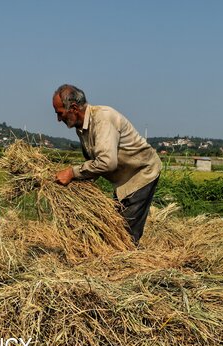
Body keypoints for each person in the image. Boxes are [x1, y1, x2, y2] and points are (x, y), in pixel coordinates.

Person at [52, 84, 162, 244]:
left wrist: (72, 173)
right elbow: (93, 160)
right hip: (123, 179)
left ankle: (129, 263)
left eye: (60, 113)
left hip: (141, 173)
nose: (58, 119)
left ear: (74, 108)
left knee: (125, 235)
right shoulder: (81, 128)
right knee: (115, 228)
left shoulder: (102, 119)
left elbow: (106, 163)